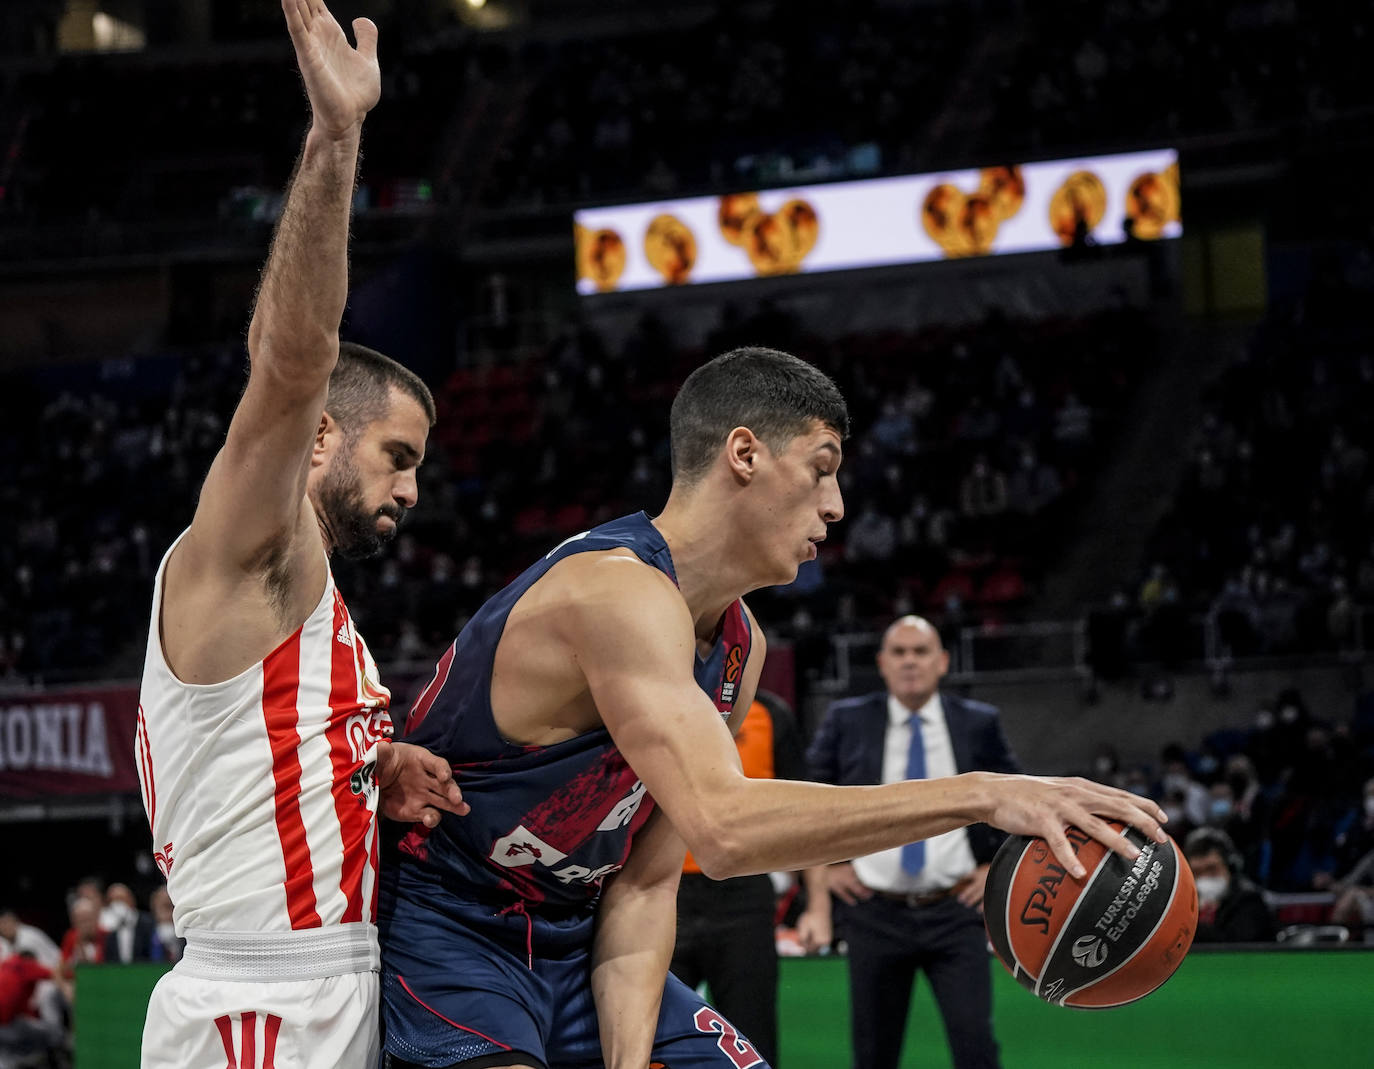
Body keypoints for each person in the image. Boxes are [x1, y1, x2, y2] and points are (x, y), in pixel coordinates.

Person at [379, 345, 1168, 1069]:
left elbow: (648, 885)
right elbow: (725, 830)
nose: (836, 506)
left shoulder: (739, 649)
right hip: (450, 926)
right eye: (822, 469)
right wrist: (987, 793)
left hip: (577, 934)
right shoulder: (613, 589)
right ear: (745, 454)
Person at [134, 4, 466, 1067]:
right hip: (262, 1001)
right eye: (398, 456)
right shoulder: (244, 550)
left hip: (326, 977)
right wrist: (336, 138)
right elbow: (289, 361)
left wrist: (374, 766)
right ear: (325, 433)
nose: (412, 490)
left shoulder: (307, 602)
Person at [805, 615, 1019, 1069]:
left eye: (920, 652)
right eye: (899, 652)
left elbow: (1016, 799)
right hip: (872, 912)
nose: (909, 662)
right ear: (882, 664)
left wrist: (996, 869)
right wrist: (828, 871)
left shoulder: (978, 723)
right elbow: (810, 799)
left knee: (976, 1047)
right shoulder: (848, 719)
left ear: (942, 662)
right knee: (873, 1053)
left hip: (955, 911)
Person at [670, 690, 818, 1068]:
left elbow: (805, 813)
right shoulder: (650, 702)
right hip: (664, 892)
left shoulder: (769, 713)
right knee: (658, 1035)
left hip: (743, 894)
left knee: (753, 1036)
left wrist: (819, 906)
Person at [1184, 828, 1276, 943]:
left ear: (1230, 867)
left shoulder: (1249, 900)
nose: (1205, 877)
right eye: (1197, 872)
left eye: (1212, 869)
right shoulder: (1187, 903)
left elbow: (1234, 946)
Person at [101, 883, 156, 964]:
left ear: (131, 900)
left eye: (120, 899)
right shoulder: (106, 927)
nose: (117, 904)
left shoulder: (146, 923)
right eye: (113, 900)